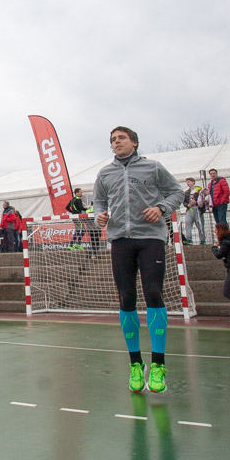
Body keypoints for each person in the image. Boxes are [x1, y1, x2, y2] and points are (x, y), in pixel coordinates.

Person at [93, 126, 184, 394]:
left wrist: (161, 208)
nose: (116, 142)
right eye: (113, 139)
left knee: (154, 293)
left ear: (134, 142)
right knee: (126, 298)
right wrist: (99, 215)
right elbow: (98, 202)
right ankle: (135, 363)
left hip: (151, 238)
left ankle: (158, 365)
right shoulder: (104, 173)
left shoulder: (153, 167)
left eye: (121, 138)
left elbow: (177, 193)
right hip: (120, 240)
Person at [178, 179, 206, 246]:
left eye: (189, 182)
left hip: (198, 209)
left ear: (193, 182)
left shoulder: (199, 190)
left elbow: (203, 199)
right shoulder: (186, 192)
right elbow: (184, 202)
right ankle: (189, 239)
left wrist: (197, 202)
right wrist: (188, 205)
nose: (188, 183)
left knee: (200, 225)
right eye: (187, 182)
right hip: (190, 209)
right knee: (188, 222)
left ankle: (202, 240)